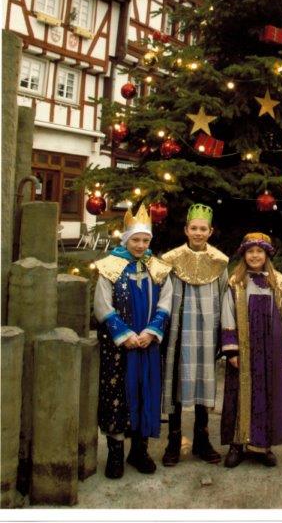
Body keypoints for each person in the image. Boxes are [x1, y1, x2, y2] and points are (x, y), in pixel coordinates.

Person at [93, 203, 172, 479]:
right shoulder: (110, 267)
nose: (140, 245)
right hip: (120, 347)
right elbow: (102, 305)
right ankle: (115, 453)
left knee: (145, 391)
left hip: (148, 344)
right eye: (135, 240)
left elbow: (166, 302)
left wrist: (151, 332)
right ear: (125, 239)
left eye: (145, 240)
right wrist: (124, 335)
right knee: (117, 395)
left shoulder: (158, 268)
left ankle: (139, 450)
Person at [160, 203, 229, 466]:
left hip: (207, 331)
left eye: (203, 229)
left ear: (210, 231)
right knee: (177, 380)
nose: (198, 233)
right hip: (179, 329)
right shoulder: (170, 260)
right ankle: (173, 440)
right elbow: (164, 294)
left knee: (204, 379)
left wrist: (224, 334)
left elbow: (224, 298)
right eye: (194, 228)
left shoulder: (220, 262)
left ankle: (202, 438)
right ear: (186, 230)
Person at [221, 232, 282, 468]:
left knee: (266, 393)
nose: (254, 255)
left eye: (259, 251)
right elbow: (228, 312)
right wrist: (231, 350)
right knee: (240, 393)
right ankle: (237, 444)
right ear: (244, 254)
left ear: (266, 255)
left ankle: (263, 446)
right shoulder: (236, 281)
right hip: (243, 349)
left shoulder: (279, 283)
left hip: (269, 349)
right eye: (250, 251)